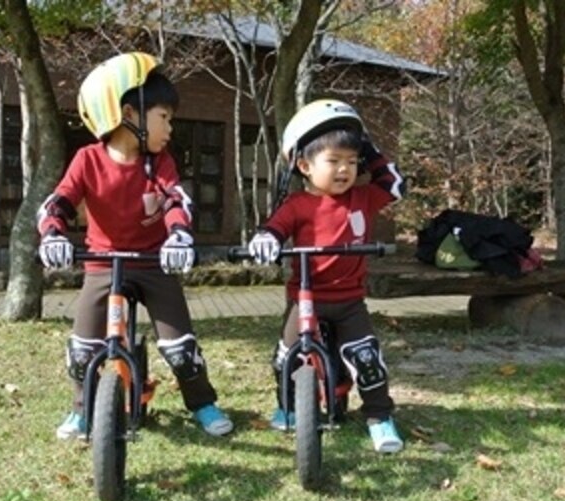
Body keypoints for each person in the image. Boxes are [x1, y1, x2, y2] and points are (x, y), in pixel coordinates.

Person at [37, 51, 233, 439]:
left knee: (180, 348)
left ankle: (202, 403)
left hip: (152, 263)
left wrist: (178, 235)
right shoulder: (87, 160)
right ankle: (81, 409)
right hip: (102, 265)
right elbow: (57, 202)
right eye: (164, 117)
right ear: (128, 114)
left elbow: (177, 199)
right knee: (82, 351)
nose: (170, 128)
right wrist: (53, 233)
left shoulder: (158, 163)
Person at [248, 99, 406, 453]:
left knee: (366, 357)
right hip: (306, 300)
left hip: (350, 302)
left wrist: (366, 145)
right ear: (304, 165)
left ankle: (380, 417)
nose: (343, 170)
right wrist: (265, 239)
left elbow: (395, 185)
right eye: (333, 161)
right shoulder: (297, 205)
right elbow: (273, 228)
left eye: (351, 161)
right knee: (286, 356)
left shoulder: (364, 197)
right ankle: (288, 406)